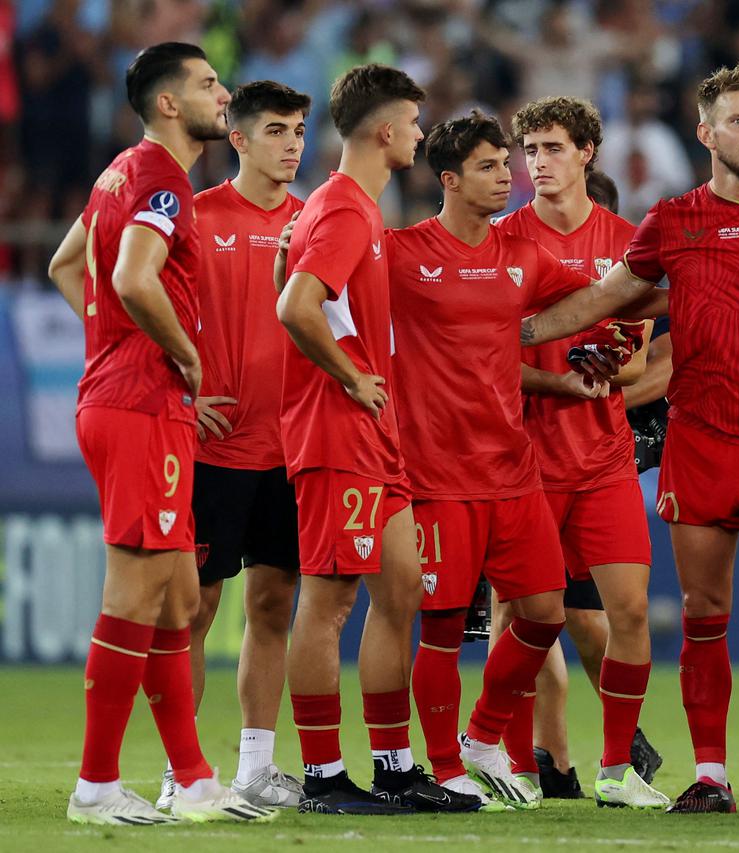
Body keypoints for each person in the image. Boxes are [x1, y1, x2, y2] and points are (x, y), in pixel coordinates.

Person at [520, 63, 739, 814]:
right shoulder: (671, 221)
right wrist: (516, 332)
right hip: (700, 439)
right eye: (738, 121)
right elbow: (607, 299)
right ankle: (712, 775)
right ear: (705, 133)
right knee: (704, 614)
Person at [47, 41, 274, 825]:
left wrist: (111, 345)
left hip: (132, 397)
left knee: (178, 598)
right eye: (210, 84)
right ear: (170, 103)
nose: (225, 94)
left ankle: (195, 775)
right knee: (138, 594)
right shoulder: (163, 179)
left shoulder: (120, 169)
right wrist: (182, 358)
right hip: (141, 404)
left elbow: (64, 264)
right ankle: (96, 786)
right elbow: (130, 277)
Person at [390, 111, 602, 809]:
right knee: (444, 630)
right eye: (487, 166)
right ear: (448, 180)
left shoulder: (524, 257)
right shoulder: (402, 253)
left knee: (543, 614)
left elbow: (592, 295)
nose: (505, 175)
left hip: (515, 471)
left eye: (503, 163)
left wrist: (660, 286)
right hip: (439, 477)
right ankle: (446, 764)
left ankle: (484, 736)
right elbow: (313, 285)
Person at [275, 64, 469, 815]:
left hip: (372, 436)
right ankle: (323, 776)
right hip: (339, 432)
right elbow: (298, 306)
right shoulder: (348, 213)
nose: (420, 134)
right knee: (327, 604)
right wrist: (351, 379)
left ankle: (393, 764)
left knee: (401, 587)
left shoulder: (352, 208)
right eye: (415, 122)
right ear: (385, 130)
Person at [494, 96, 666, 808]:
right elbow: (484, 354)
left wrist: (603, 364)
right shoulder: (502, 238)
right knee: (525, 621)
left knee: (625, 613)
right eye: (530, 150)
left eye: (553, 148)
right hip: (522, 461)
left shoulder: (630, 241)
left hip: (602, 461)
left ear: (588, 151)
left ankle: (619, 767)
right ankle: (514, 764)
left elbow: (633, 364)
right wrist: (566, 378)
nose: (539, 163)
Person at [146, 80, 311, 812]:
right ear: (237, 139)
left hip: (293, 450)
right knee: (195, 611)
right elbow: (128, 294)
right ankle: (182, 769)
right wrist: (183, 391)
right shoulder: (197, 214)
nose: (292, 144)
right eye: (276, 130)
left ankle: (254, 766)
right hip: (213, 451)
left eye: (300, 129)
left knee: (273, 604)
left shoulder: (315, 223)